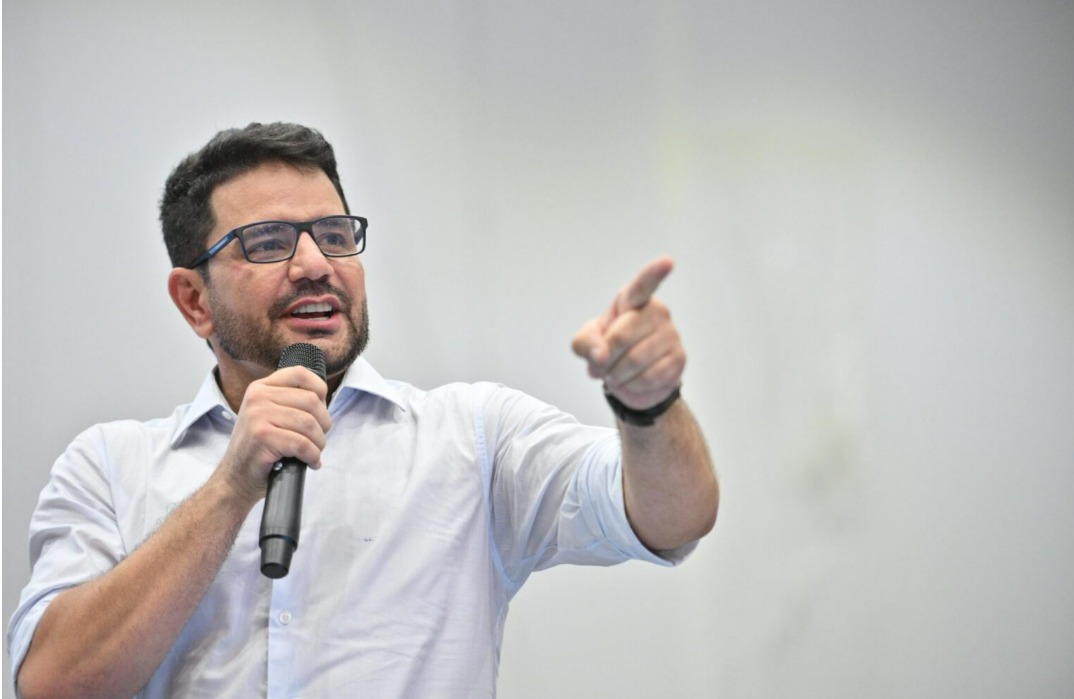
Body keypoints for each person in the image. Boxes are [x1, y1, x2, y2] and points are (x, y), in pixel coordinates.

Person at [8, 122, 718, 698]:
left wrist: (649, 406)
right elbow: (53, 684)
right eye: (268, 242)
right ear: (195, 301)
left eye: (336, 234)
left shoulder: (470, 436)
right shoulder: (108, 466)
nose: (316, 264)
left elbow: (673, 516)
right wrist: (228, 489)